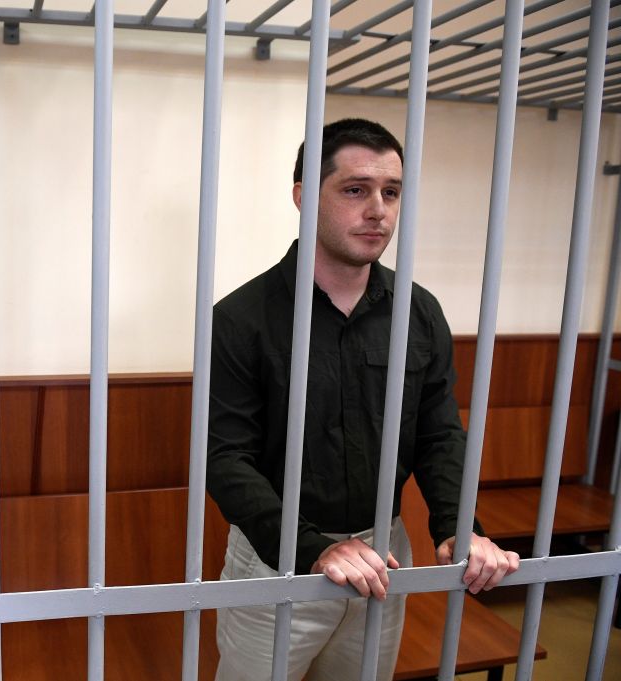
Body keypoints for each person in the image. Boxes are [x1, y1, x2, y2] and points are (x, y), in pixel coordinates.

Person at [207, 119, 520, 681]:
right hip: (275, 556)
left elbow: (439, 432)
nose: (378, 209)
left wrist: (457, 526)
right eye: (355, 190)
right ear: (304, 196)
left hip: (384, 552)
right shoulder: (241, 318)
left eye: (391, 192)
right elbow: (226, 459)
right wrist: (310, 548)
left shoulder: (417, 312)